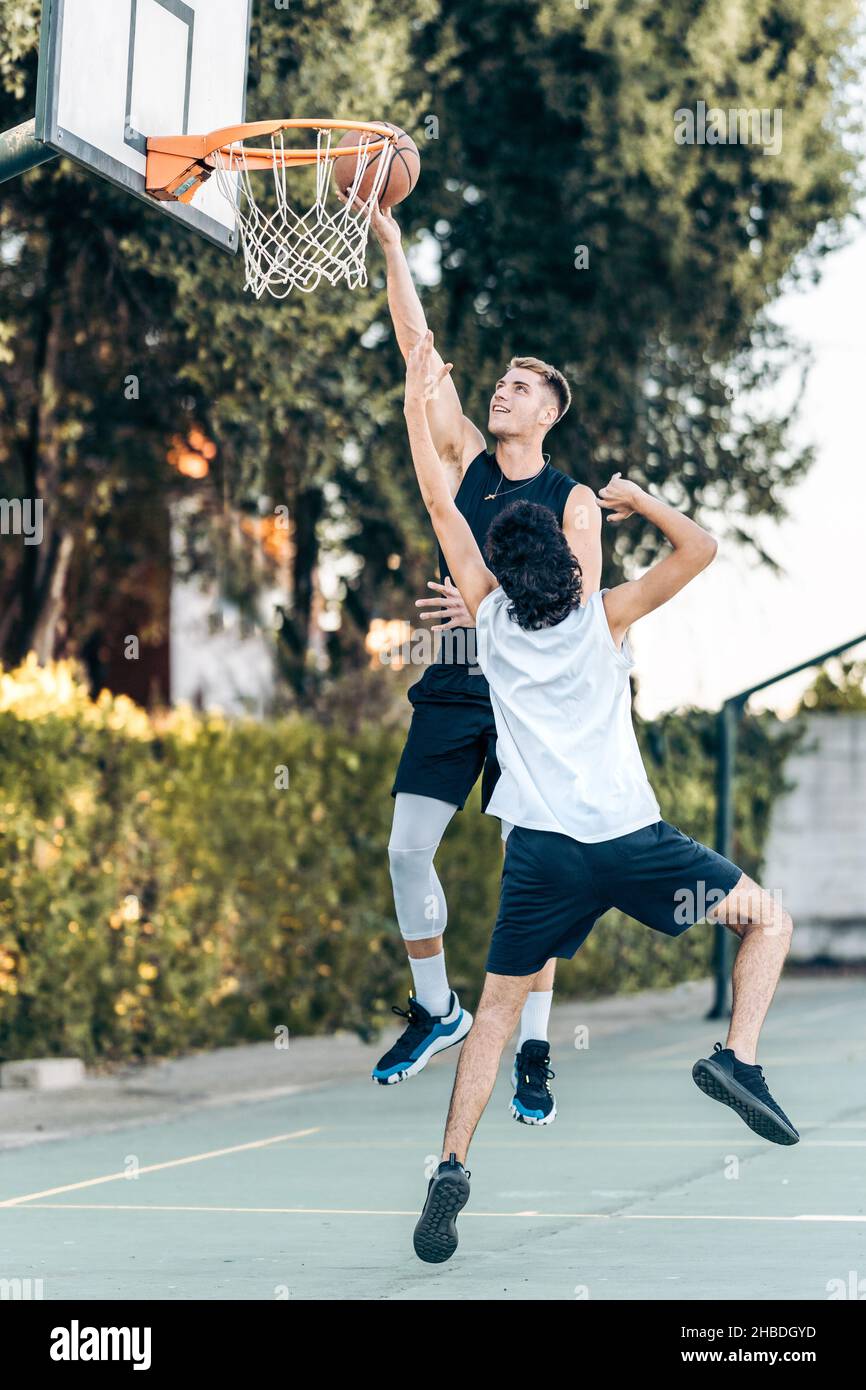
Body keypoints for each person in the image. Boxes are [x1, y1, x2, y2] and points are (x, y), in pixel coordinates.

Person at [400, 333, 799, 1266]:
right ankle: (735, 1060)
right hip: (635, 846)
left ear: (500, 570)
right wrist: (637, 500)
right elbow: (700, 548)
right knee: (765, 921)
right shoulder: (604, 616)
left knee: (494, 1017)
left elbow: (436, 493)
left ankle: (451, 1167)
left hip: (542, 859)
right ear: (572, 568)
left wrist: (424, 393)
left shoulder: (487, 621)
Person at [369, 203, 602, 1127]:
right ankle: (438, 1009)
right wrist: (391, 240)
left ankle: (534, 1047)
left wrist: (484, 600)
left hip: (529, 700)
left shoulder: (570, 495)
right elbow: (416, 347)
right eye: (498, 382)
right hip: (453, 688)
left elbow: (580, 603)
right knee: (404, 849)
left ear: (548, 412)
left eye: (518, 386)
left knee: (528, 875)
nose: (500, 391)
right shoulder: (465, 456)